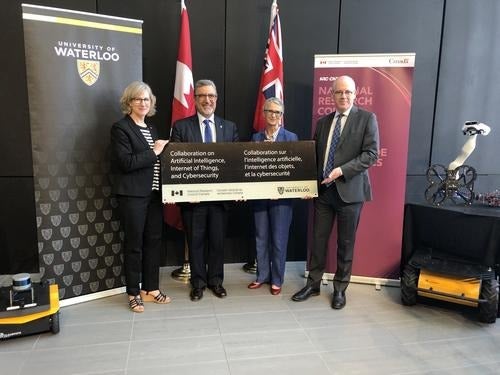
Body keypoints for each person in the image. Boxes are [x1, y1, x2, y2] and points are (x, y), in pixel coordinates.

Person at [291, 75, 379, 309]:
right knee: (318, 241)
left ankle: (340, 288)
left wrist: (342, 170)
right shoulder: (323, 122)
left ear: (355, 94)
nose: (343, 96)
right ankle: (313, 284)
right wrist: (308, 185)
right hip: (324, 193)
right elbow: (314, 157)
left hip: (350, 193)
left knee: (345, 243)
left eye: (348, 92)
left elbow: (371, 154)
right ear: (332, 95)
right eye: (339, 92)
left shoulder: (367, 119)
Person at [170, 79, 239, 301]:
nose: (207, 100)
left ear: (216, 99)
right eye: (202, 96)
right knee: (196, 242)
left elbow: (235, 163)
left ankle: (216, 281)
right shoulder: (181, 127)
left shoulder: (229, 127)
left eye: (211, 96)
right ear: (195, 99)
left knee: (217, 242)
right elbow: (175, 164)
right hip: (193, 201)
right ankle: (198, 283)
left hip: (220, 200)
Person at [110, 81, 171, 312]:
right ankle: (133, 292)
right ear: (129, 102)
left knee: (153, 242)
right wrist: (154, 151)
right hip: (133, 196)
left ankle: (151, 288)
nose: (143, 103)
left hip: (154, 195)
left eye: (147, 99)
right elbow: (126, 163)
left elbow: (155, 163)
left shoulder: (152, 129)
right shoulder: (120, 128)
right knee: (134, 245)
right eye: (138, 99)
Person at [247, 97, 298, 295]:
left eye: (277, 112)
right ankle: (262, 276)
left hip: (282, 199)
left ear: (281, 116)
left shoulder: (291, 138)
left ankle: (277, 279)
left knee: (279, 238)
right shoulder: (255, 139)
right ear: (264, 113)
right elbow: (250, 169)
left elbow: (295, 169)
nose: (274, 115)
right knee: (261, 237)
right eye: (270, 111)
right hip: (260, 198)